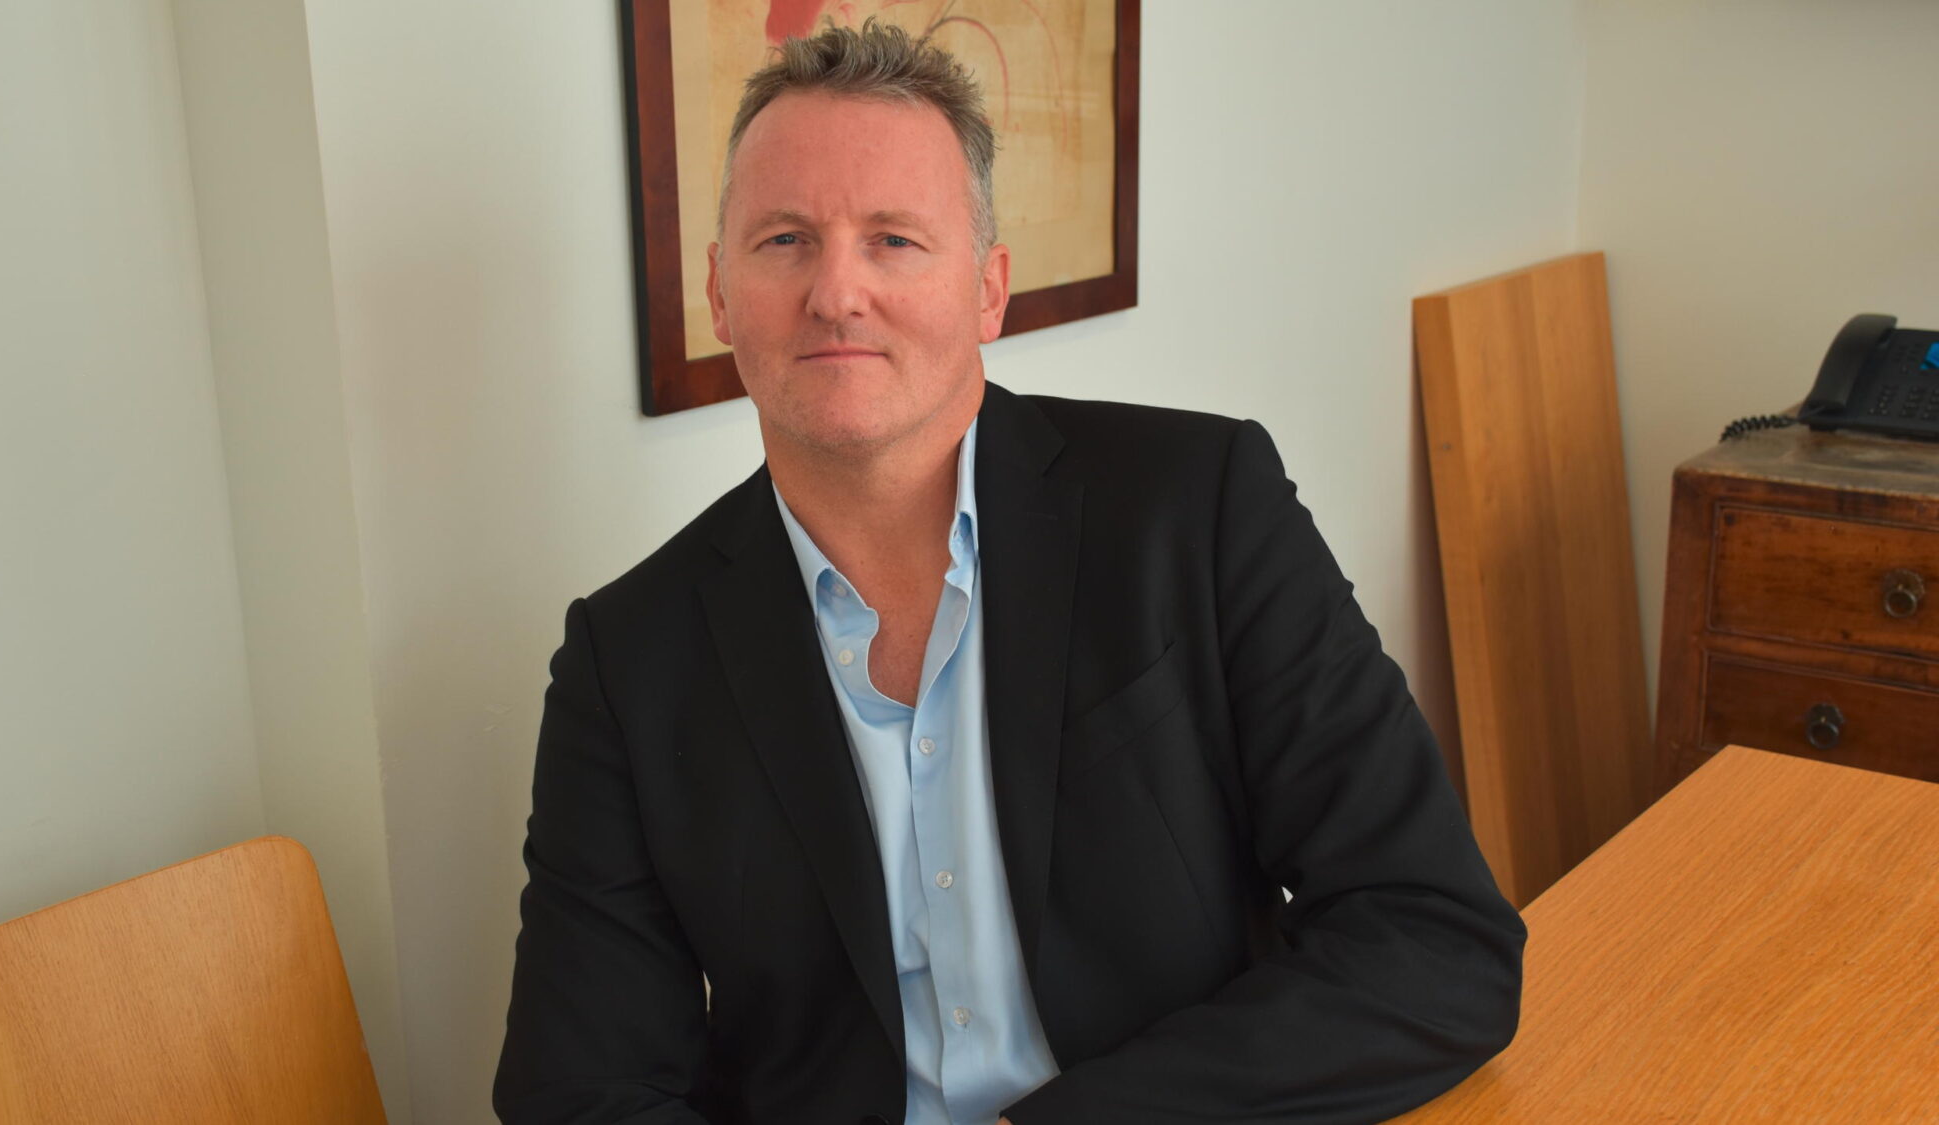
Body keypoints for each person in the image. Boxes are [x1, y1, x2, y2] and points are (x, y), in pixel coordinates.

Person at [495, 19, 1524, 1125]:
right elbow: (581, 1095)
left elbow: (1433, 936)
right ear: (718, 292)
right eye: (784, 239)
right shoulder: (626, 659)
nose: (836, 292)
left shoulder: (1199, 507)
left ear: (988, 289)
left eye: (894, 239)